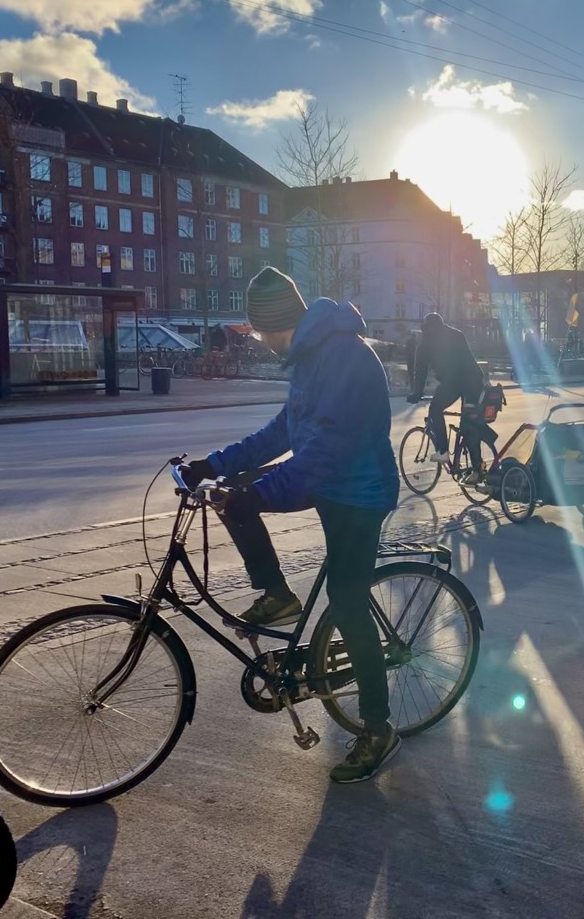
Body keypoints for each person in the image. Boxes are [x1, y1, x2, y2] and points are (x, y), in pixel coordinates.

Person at [180, 268, 402, 783]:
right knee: (232, 496)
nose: (261, 342)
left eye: (261, 333)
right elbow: (284, 429)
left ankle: (378, 728)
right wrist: (214, 465)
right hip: (327, 483)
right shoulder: (308, 355)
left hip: (360, 493)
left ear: (281, 324)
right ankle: (278, 594)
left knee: (347, 602)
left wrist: (260, 492)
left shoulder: (344, 357)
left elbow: (326, 449)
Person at [406, 312, 494, 468]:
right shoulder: (456, 334)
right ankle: (477, 468)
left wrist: (416, 393)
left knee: (435, 409)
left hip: (454, 382)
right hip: (474, 382)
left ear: (425, 328)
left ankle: (443, 451)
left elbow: (420, 370)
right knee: (469, 423)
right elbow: (468, 361)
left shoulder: (426, 341)